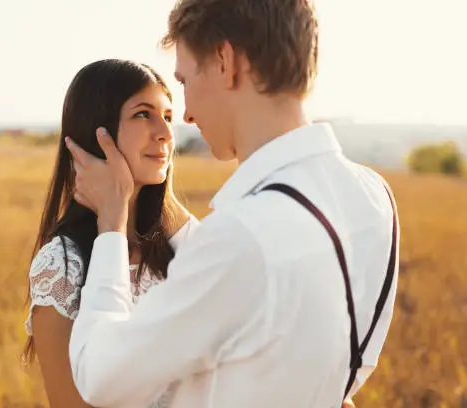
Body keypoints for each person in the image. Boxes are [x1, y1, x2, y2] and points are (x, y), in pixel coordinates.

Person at [65, 0, 400, 407]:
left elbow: (100, 377)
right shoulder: (375, 198)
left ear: (225, 61)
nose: (185, 116)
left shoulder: (243, 235)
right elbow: (347, 374)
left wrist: (112, 226)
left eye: (185, 81)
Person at [22, 59, 199, 408]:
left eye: (167, 116)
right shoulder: (61, 264)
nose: (164, 133)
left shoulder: (177, 248)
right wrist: (113, 217)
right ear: (97, 131)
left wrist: (165, 200)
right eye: (142, 114)